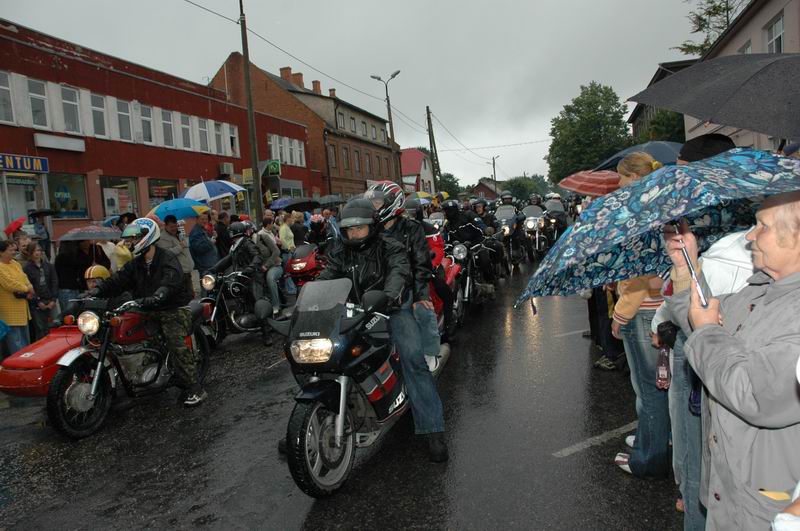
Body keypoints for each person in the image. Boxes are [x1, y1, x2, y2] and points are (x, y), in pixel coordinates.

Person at [664, 191, 800, 530]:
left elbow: (755, 395)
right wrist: (686, 266)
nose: (750, 236)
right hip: (732, 488)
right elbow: (701, 318)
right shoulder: (761, 289)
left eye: (762, 226)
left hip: (768, 504)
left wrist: (707, 330)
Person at [317, 199, 447, 462]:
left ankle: (433, 428)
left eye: (360, 228)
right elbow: (327, 277)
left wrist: (388, 297)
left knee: (413, 360)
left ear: (372, 226)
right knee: (321, 355)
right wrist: (311, 299)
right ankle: (313, 420)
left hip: (391, 308)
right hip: (354, 311)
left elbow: (399, 273)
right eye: (349, 229)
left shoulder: (390, 246)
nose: (354, 233)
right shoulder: (340, 251)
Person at [89, 218, 206, 407]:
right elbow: (118, 280)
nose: (131, 242)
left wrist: (160, 295)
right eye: (131, 239)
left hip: (171, 308)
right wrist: (96, 290)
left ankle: (195, 388)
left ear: (147, 238)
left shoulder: (167, 258)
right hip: (147, 308)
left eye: (135, 238)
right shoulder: (136, 264)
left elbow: (171, 282)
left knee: (175, 344)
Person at [611, 152, 670, 479]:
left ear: (635, 177)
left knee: (649, 389)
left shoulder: (641, 215)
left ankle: (648, 458)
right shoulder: (662, 206)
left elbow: (639, 274)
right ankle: (653, 437)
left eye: (622, 177)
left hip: (642, 311)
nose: (619, 183)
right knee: (658, 385)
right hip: (659, 307)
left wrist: (620, 314)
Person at [441, 199, 495, 285]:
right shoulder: (447, 225)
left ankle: (490, 282)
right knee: (452, 264)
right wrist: (443, 245)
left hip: (475, 244)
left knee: (484, 259)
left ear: (450, 211)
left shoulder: (468, 215)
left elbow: (479, 224)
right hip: (461, 250)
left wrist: (486, 230)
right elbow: (445, 239)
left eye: (445, 211)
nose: (444, 214)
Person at [0, 240, 33, 356]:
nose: (14, 252)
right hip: (9, 311)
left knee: (25, 343)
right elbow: (9, 284)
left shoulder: (15, 263)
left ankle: (26, 363)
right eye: (11, 250)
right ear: (1, 252)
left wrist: (30, 286)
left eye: (15, 250)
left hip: (22, 308)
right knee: (15, 343)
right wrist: (26, 288)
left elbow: (24, 277)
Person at [22, 242, 58, 342]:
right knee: (40, 329)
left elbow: (54, 283)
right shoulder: (26, 268)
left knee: (54, 326)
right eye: (34, 251)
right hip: (36, 303)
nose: (37, 253)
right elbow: (28, 286)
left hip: (50, 299)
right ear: (30, 253)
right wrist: (37, 301)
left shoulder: (49, 266)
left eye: (38, 250)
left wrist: (53, 300)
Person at [157, 215, 195, 298]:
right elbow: (166, 254)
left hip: (186, 270)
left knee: (191, 295)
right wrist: (180, 247)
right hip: (178, 272)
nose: (174, 228)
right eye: (171, 227)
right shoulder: (162, 238)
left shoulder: (178, 233)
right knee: (184, 297)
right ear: (165, 226)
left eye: (175, 226)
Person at [253, 217, 283, 314]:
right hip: (260, 268)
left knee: (270, 278)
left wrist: (266, 265)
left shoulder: (263, 236)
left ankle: (276, 305)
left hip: (274, 265)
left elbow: (276, 251)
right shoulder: (247, 243)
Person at [189, 212, 219, 282]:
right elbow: (199, 248)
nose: (205, 221)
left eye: (206, 219)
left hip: (209, 264)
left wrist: (213, 237)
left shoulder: (202, 229)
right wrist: (211, 242)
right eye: (202, 219)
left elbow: (205, 242)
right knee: (208, 286)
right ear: (197, 219)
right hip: (205, 266)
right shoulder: (196, 232)